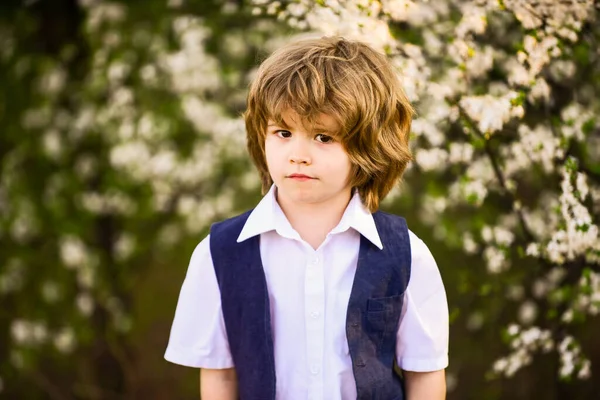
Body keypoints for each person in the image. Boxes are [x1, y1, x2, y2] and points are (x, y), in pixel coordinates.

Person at [164, 36, 449, 400]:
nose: (298, 155)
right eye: (283, 133)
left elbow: (425, 376)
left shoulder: (407, 254)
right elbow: (220, 377)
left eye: (323, 137)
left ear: (369, 147)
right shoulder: (218, 254)